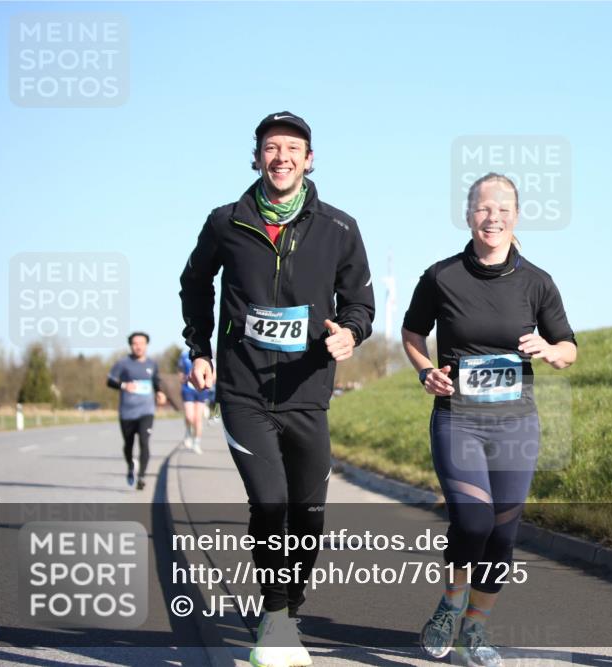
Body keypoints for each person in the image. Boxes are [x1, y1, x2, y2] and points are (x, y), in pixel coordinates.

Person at [179, 111, 374, 667]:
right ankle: (276, 617)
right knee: (270, 503)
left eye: (292, 148)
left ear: (309, 160)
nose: (281, 156)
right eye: (271, 147)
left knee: (308, 514)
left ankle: (290, 604)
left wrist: (351, 334)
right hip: (244, 390)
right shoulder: (226, 222)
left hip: (308, 391)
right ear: (257, 156)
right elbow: (195, 283)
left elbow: (360, 301)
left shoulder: (338, 227)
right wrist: (200, 349)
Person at [402, 173, 577, 667]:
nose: (492, 216)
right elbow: (412, 334)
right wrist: (426, 373)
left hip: (516, 423)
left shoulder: (537, 281)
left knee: (503, 533)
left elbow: (569, 348)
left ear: (516, 216)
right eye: (483, 207)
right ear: (468, 214)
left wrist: (548, 348)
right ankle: (451, 602)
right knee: (473, 520)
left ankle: (474, 630)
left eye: (503, 208)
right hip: (459, 420)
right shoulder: (442, 276)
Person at [106, 331, 167, 491]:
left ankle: (141, 476)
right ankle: (130, 466)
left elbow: (155, 381)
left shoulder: (152, 364)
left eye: (141, 343)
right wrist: (124, 385)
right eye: (135, 343)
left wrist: (159, 392)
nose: (138, 346)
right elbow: (110, 381)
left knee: (144, 442)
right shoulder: (123, 363)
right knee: (128, 444)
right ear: (131, 346)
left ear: (146, 345)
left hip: (146, 410)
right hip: (127, 412)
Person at [177, 349, 212, 453]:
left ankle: (196, 442)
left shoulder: (208, 352)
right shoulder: (184, 354)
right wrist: (182, 378)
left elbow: (212, 371)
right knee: (189, 416)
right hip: (188, 388)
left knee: (197, 419)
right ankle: (188, 432)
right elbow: (180, 369)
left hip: (201, 389)